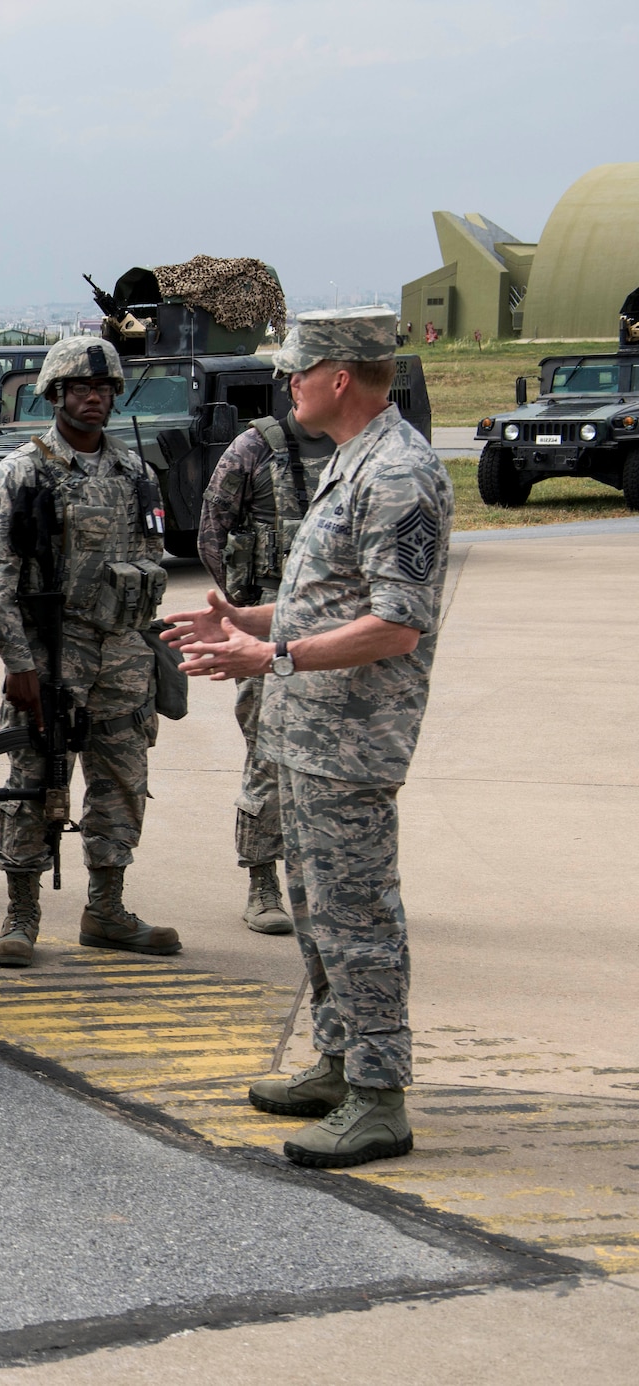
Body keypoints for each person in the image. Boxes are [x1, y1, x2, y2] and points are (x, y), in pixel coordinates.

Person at [169, 306, 450, 1170]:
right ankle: (337, 1063)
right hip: (308, 731)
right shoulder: (349, 463)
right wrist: (244, 621)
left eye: (296, 370)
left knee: (358, 917)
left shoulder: (399, 472)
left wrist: (273, 655)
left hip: (352, 740)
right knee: (316, 912)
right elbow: (335, 598)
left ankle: (378, 1097)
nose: (285, 384)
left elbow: (396, 625)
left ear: (338, 377)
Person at [0, 335, 178, 968]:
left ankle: (107, 909)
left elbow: (148, 562)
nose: (94, 399)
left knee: (121, 780)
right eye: (80, 389)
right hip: (50, 656)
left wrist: (148, 648)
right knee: (33, 782)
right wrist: (20, 665)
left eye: (105, 389)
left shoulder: (136, 472)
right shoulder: (22, 474)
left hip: (122, 654)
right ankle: (22, 912)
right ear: (54, 395)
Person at [196, 337, 337, 936]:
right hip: (266, 636)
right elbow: (211, 529)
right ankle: (261, 882)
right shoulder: (255, 448)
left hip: (338, 635)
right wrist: (243, 610)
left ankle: (327, 878)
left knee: (334, 760)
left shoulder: (354, 450)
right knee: (267, 754)